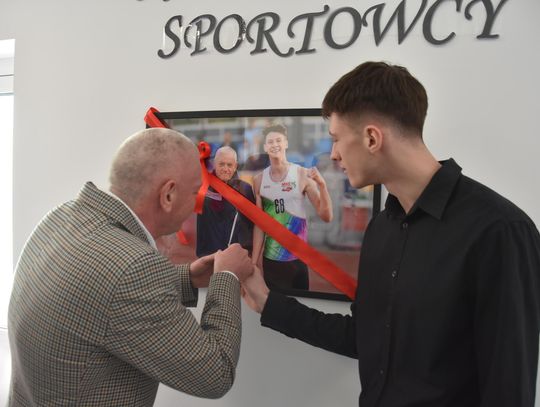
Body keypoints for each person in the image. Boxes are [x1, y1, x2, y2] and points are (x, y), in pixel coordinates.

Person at [242, 61, 540, 406]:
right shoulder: (381, 229)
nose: (334, 154)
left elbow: (507, 390)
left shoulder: (500, 232)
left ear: (372, 138)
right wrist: (268, 303)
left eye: (336, 139)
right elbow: (364, 337)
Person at [8, 128, 254, 406]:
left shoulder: (60, 216)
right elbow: (215, 374)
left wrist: (187, 277)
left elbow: (100, 291)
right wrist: (227, 276)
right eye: (195, 191)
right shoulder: (134, 268)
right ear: (168, 195)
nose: (198, 204)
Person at [252, 124, 333, 290]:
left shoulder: (302, 174)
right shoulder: (259, 180)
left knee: (301, 305)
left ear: (286, 143)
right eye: (270, 142)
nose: (275, 144)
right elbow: (259, 225)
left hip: (298, 259)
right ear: (265, 147)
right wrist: (253, 262)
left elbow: (326, 216)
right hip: (272, 260)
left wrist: (322, 185)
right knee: (274, 305)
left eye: (278, 140)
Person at [196, 146, 255, 257]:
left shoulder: (244, 189)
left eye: (229, 165)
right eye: (221, 164)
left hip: (235, 254)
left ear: (235, 166)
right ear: (214, 164)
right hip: (208, 254)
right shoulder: (204, 187)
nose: (225, 169)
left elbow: (252, 224)